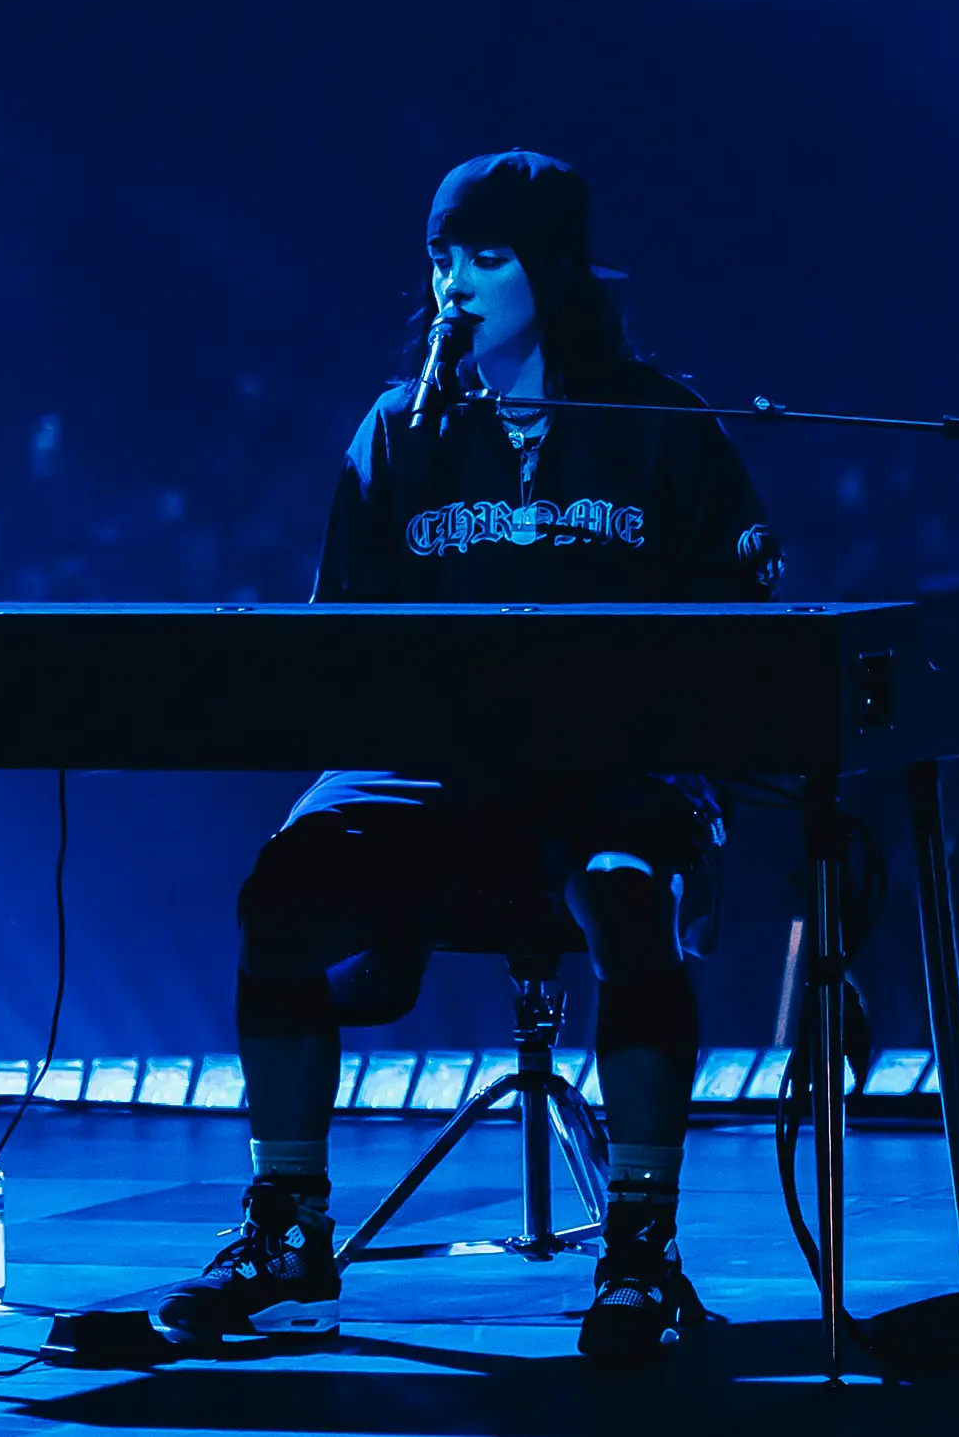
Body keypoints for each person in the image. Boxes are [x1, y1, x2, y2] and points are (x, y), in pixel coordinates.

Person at [152, 150, 781, 1365]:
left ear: (551, 267)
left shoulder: (660, 424)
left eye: (486, 255)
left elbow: (742, 629)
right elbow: (341, 635)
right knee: (281, 895)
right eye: (441, 255)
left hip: (621, 769)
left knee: (618, 889)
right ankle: (287, 1231)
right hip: (431, 770)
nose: (454, 282)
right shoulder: (399, 431)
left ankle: (640, 1249)